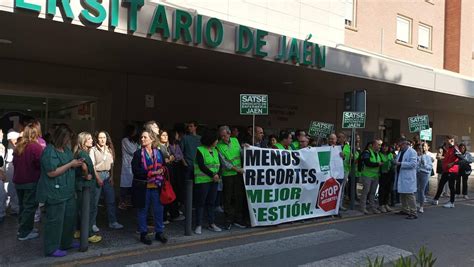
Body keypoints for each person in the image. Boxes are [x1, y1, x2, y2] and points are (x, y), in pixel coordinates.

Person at [36, 124, 83, 257]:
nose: (69, 141)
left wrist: (77, 163)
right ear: (60, 137)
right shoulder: (49, 151)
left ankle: (66, 242)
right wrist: (71, 164)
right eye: (67, 138)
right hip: (55, 193)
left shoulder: (66, 150)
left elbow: (70, 164)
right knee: (55, 221)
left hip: (67, 192)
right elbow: (51, 172)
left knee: (69, 219)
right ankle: (51, 248)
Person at [131, 129, 169, 245]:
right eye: (141, 137)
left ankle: (159, 232)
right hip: (143, 186)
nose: (142, 139)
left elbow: (163, 166)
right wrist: (151, 173)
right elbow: (135, 170)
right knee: (143, 210)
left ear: (152, 139)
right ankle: (143, 233)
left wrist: (162, 169)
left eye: (145, 137)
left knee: (159, 210)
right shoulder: (138, 154)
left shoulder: (159, 152)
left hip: (157, 186)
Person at [12, 124, 44, 240]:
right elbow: (40, 164)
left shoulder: (18, 146)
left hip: (18, 181)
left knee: (22, 206)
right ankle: (25, 232)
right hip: (31, 182)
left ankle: (23, 228)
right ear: (36, 133)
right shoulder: (36, 147)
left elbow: (14, 163)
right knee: (30, 207)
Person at [90, 131, 123, 232]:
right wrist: (97, 178)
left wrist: (112, 177)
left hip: (108, 176)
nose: (102, 140)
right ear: (97, 139)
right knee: (94, 201)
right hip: (98, 175)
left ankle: (112, 222)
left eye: (104, 137)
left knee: (111, 200)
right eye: (100, 138)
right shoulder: (93, 150)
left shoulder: (109, 149)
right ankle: (92, 224)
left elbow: (112, 165)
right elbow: (92, 165)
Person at [73, 132, 102, 243]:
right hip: (86, 186)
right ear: (83, 141)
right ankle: (88, 234)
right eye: (89, 139)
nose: (92, 140)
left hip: (81, 186)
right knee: (88, 209)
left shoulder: (80, 152)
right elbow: (84, 167)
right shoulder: (83, 154)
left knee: (81, 209)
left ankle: (79, 231)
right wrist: (86, 175)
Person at [216, 126, 246, 230]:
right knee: (227, 199)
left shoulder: (235, 140)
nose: (223, 138)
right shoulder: (218, 145)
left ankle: (238, 219)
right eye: (222, 136)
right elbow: (223, 162)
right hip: (228, 175)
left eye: (225, 135)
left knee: (238, 197)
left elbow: (241, 153)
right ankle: (228, 220)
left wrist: (245, 148)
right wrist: (236, 169)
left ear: (229, 134)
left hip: (238, 174)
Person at [194, 130, 223, 235]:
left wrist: (218, 175)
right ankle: (198, 225)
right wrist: (213, 175)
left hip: (214, 181)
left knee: (211, 203)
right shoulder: (200, 150)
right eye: (216, 140)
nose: (217, 142)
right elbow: (201, 166)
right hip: (203, 181)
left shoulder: (216, 150)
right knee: (200, 203)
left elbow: (220, 165)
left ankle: (211, 223)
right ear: (210, 140)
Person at [159, 130, 185, 222]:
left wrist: (170, 158)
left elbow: (176, 157)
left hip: (171, 173)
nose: (165, 137)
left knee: (171, 193)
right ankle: (164, 217)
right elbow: (164, 160)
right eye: (163, 135)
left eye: (166, 135)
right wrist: (170, 159)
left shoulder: (167, 147)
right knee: (165, 194)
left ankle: (171, 214)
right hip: (163, 174)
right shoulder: (159, 147)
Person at [432, 135, 460, 208]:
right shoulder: (449, 148)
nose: (446, 141)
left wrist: (452, 163)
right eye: (446, 140)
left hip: (452, 171)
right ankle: (435, 199)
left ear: (451, 140)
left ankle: (452, 202)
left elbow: (460, 158)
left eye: (448, 140)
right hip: (446, 170)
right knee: (441, 184)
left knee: (451, 186)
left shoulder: (455, 148)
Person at [394, 137, 418, 219]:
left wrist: (400, 163)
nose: (400, 147)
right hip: (401, 176)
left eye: (401, 145)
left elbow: (413, 164)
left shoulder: (412, 152)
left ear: (405, 143)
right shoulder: (401, 152)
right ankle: (405, 210)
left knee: (409, 195)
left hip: (408, 177)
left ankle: (413, 212)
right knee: (402, 194)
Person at [359, 140, 382, 215]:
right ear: (373, 145)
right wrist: (377, 164)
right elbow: (367, 163)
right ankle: (363, 208)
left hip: (375, 176)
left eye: (379, 145)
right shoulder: (367, 152)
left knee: (373, 193)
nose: (379, 146)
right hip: (367, 175)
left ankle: (373, 207)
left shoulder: (378, 154)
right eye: (378, 145)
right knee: (365, 192)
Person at [119, 125, 139, 210]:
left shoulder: (134, 141)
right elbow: (133, 151)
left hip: (133, 165)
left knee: (131, 185)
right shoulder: (125, 140)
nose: (135, 132)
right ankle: (122, 202)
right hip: (127, 166)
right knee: (125, 185)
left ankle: (128, 202)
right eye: (134, 130)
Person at [415, 142, 433, 213]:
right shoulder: (415, 157)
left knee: (421, 190)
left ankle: (421, 206)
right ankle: (416, 203)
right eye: (418, 149)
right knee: (415, 189)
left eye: (421, 149)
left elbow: (430, 168)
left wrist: (424, 164)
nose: (419, 150)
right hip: (416, 174)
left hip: (424, 174)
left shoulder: (427, 157)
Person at [5, 130, 20, 216]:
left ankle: (14, 206)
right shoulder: (11, 132)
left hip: (17, 161)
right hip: (11, 162)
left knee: (14, 185)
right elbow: (15, 143)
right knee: (11, 185)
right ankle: (13, 207)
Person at [378, 142, 394, 213]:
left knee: (388, 189)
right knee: (382, 190)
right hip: (382, 174)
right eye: (383, 146)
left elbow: (392, 162)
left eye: (386, 146)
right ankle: (381, 205)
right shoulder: (379, 154)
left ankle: (386, 204)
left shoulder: (390, 154)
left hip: (390, 173)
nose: (385, 148)